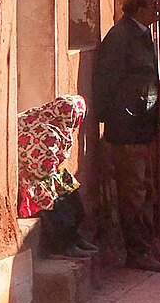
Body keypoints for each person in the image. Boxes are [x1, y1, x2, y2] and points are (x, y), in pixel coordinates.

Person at [94, 0, 160, 273]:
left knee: (145, 189)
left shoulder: (140, 36)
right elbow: (108, 83)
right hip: (128, 129)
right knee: (133, 192)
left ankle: (147, 246)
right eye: (153, 6)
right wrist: (115, 118)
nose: (157, 11)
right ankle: (137, 252)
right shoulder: (120, 38)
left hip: (142, 126)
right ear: (139, 9)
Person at [18, 95, 99, 259]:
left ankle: (74, 238)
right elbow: (41, 169)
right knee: (59, 203)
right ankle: (62, 245)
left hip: (41, 173)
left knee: (71, 191)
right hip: (30, 178)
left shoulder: (54, 124)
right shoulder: (48, 131)